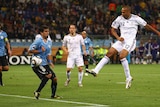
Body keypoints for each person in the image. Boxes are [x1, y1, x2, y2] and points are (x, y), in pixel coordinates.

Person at [86, 5, 160, 89]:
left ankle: (128, 77)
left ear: (129, 12)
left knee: (122, 56)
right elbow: (113, 29)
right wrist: (118, 38)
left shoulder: (136, 18)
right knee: (109, 53)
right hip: (121, 40)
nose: (122, 13)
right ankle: (96, 70)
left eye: (124, 12)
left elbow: (147, 26)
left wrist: (157, 32)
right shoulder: (119, 18)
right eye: (121, 12)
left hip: (130, 41)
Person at [28, 25, 61, 99]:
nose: (47, 33)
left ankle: (53, 95)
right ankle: (37, 91)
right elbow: (29, 51)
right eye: (45, 31)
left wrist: (50, 62)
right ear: (41, 33)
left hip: (45, 63)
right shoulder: (38, 41)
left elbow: (48, 53)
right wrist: (40, 50)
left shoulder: (49, 42)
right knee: (48, 75)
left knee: (54, 79)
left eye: (48, 31)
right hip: (38, 63)